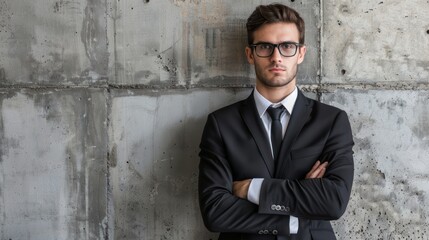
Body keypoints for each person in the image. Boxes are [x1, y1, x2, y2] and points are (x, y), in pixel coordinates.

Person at [198, 3, 354, 240]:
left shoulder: (331, 121)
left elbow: (333, 202)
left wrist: (251, 188)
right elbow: (215, 212)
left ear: (301, 53)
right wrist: (297, 212)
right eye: (265, 47)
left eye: (287, 46)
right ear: (250, 54)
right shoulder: (221, 125)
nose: (276, 57)